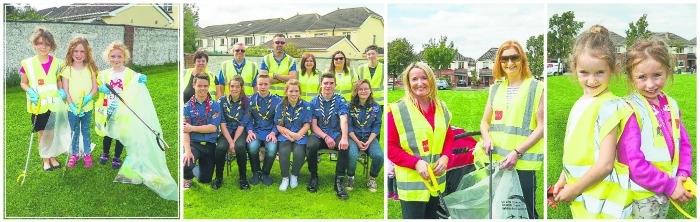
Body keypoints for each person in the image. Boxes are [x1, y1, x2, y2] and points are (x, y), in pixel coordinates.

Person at [550, 25, 635, 219]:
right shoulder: (581, 102)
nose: (591, 80)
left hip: (602, 199)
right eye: (584, 73)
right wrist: (563, 180)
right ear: (574, 70)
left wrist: (575, 189)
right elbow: (574, 150)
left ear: (613, 69)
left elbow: (605, 164)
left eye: (599, 72)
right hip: (584, 194)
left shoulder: (608, 106)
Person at [618, 39, 694, 219]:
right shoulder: (630, 108)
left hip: (668, 187)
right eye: (642, 77)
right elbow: (631, 160)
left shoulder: (672, 104)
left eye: (657, 75)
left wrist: (682, 174)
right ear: (631, 77)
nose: (650, 84)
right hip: (642, 194)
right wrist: (668, 185)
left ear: (668, 72)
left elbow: (683, 143)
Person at [472, 40, 543, 219]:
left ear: (522, 60)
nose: (509, 63)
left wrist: (517, 153)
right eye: (504, 59)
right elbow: (484, 122)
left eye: (514, 58)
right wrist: (486, 137)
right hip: (496, 162)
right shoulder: (495, 88)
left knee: (524, 211)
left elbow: (541, 127)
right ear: (499, 62)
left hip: (523, 162)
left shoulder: (536, 87)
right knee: (498, 210)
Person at [387, 62, 452, 219]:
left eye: (424, 78)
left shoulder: (441, 107)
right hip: (412, 186)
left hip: (436, 181)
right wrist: (415, 162)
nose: (420, 83)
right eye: (414, 79)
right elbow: (390, 147)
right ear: (408, 83)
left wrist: (445, 157)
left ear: (431, 80)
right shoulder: (398, 111)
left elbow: (448, 137)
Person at [19, 27, 67, 171]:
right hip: (38, 105)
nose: (43, 46)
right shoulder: (27, 63)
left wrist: (61, 91)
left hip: (54, 105)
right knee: (42, 133)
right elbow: (23, 82)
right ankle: (45, 159)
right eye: (39, 43)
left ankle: (52, 156)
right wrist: (30, 91)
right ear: (34, 44)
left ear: (51, 45)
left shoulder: (59, 63)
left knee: (52, 132)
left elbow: (59, 82)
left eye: (46, 44)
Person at [94, 41, 147, 170]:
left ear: (125, 58)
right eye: (113, 56)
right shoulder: (103, 74)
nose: (116, 59)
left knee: (120, 134)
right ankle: (105, 153)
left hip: (123, 110)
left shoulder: (130, 74)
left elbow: (135, 87)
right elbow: (95, 85)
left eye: (119, 56)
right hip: (108, 109)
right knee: (107, 133)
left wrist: (140, 81)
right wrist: (100, 88)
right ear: (108, 57)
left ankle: (117, 157)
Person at [307, 73, 351, 199]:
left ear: (335, 85)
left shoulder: (341, 100)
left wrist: (344, 137)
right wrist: (325, 137)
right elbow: (313, 126)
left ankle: (338, 182)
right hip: (319, 134)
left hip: (336, 133)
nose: (328, 86)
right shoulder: (314, 102)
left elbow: (344, 120)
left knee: (344, 147)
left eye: (331, 83)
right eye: (325, 83)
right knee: (310, 146)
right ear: (321, 84)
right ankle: (314, 176)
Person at [60, 36, 98, 168]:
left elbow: (95, 87)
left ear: (87, 53)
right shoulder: (66, 70)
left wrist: (89, 97)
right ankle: (74, 153)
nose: (79, 54)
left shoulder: (90, 68)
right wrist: (71, 105)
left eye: (82, 51)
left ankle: (87, 153)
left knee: (86, 131)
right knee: (74, 131)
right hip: (72, 109)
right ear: (71, 52)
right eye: (76, 51)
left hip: (86, 108)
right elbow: (66, 91)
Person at [183, 72, 222, 188]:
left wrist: (193, 128)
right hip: (194, 144)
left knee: (205, 180)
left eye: (205, 86)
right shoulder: (186, 107)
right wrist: (187, 151)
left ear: (209, 86)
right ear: (194, 86)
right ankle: (188, 176)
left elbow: (213, 128)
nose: (202, 88)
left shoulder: (215, 105)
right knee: (186, 163)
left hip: (209, 145)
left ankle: (198, 169)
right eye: (199, 85)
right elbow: (185, 130)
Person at [214, 75, 251, 190]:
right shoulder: (221, 101)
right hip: (226, 131)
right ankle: (218, 177)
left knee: (240, 147)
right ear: (228, 87)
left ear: (241, 88)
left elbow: (242, 123)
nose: (234, 89)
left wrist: (234, 142)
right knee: (220, 148)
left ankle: (243, 178)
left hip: (239, 131)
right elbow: (222, 123)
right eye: (232, 86)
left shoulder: (247, 101)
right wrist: (230, 142)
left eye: (237, 87)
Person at [345, 79, 383, 192]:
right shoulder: (349, 106)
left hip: (369, 138)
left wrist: (369, 141)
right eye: (360, 89)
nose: (363, 91)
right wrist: (357, 142)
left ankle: (372, 178)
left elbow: (377, 126)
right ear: (356, 91)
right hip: (353, 137)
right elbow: (349, 127)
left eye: (366, 89)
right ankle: (350, 177)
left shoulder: (376, 107)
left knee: (379, 156)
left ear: (370, 90)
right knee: (352, 155)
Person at [274, 79, 312, 191]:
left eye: (296, 91)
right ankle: (285, 177)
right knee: (284, 153)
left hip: (301, 135)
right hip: (285, 135)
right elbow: (278, 125)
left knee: (299, 153)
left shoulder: (306, 105)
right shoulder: (280, 106)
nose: (294, 94)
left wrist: (297, 135)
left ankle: (294, 175)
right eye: (291, 91)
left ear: (300, 92)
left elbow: (307, 125)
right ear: (286, 92)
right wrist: (291, 135)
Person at [246, 74, 282, 186]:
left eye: (265, 84)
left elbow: (279, 120)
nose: (263, 86)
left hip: (270, 132)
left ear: (270, 85)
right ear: (256, 85)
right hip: (255, 131)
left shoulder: (277, 101)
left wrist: (273, 132)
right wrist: (250, 131)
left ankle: (265, 173)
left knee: (271, 149)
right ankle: (256, 172)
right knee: (252, 147)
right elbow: (247, 119)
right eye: (260, 84)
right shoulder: (250, 101)